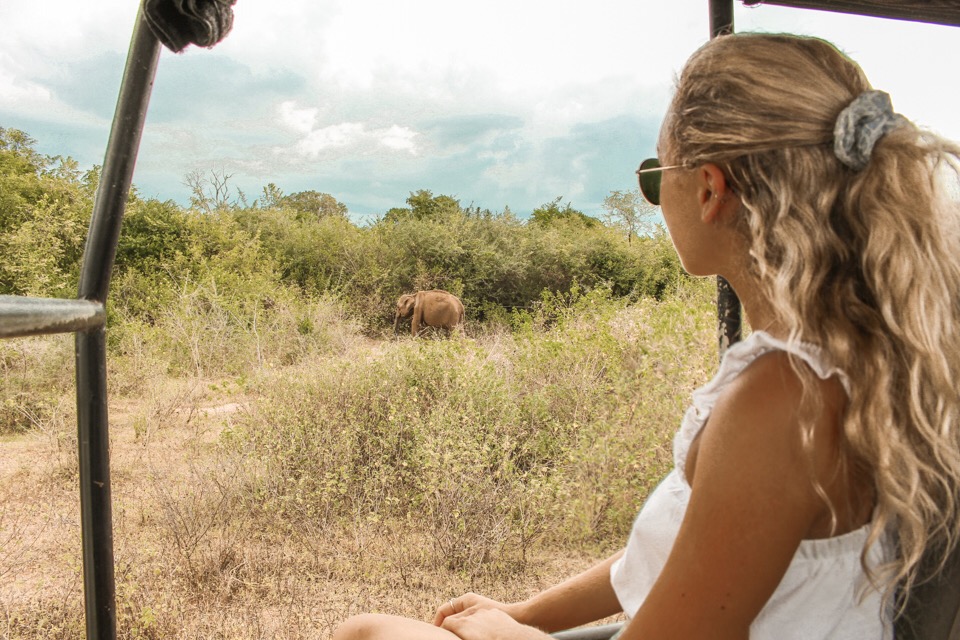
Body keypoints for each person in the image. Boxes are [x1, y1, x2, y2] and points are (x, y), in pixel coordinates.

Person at [333, 32, 960, 640]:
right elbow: (698, 556)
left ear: (711, 189)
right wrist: (525, 613)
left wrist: (504, 635)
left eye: (655, 177)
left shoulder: (780, 398)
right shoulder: (865, 351)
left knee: (365, 631)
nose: (656, 198)